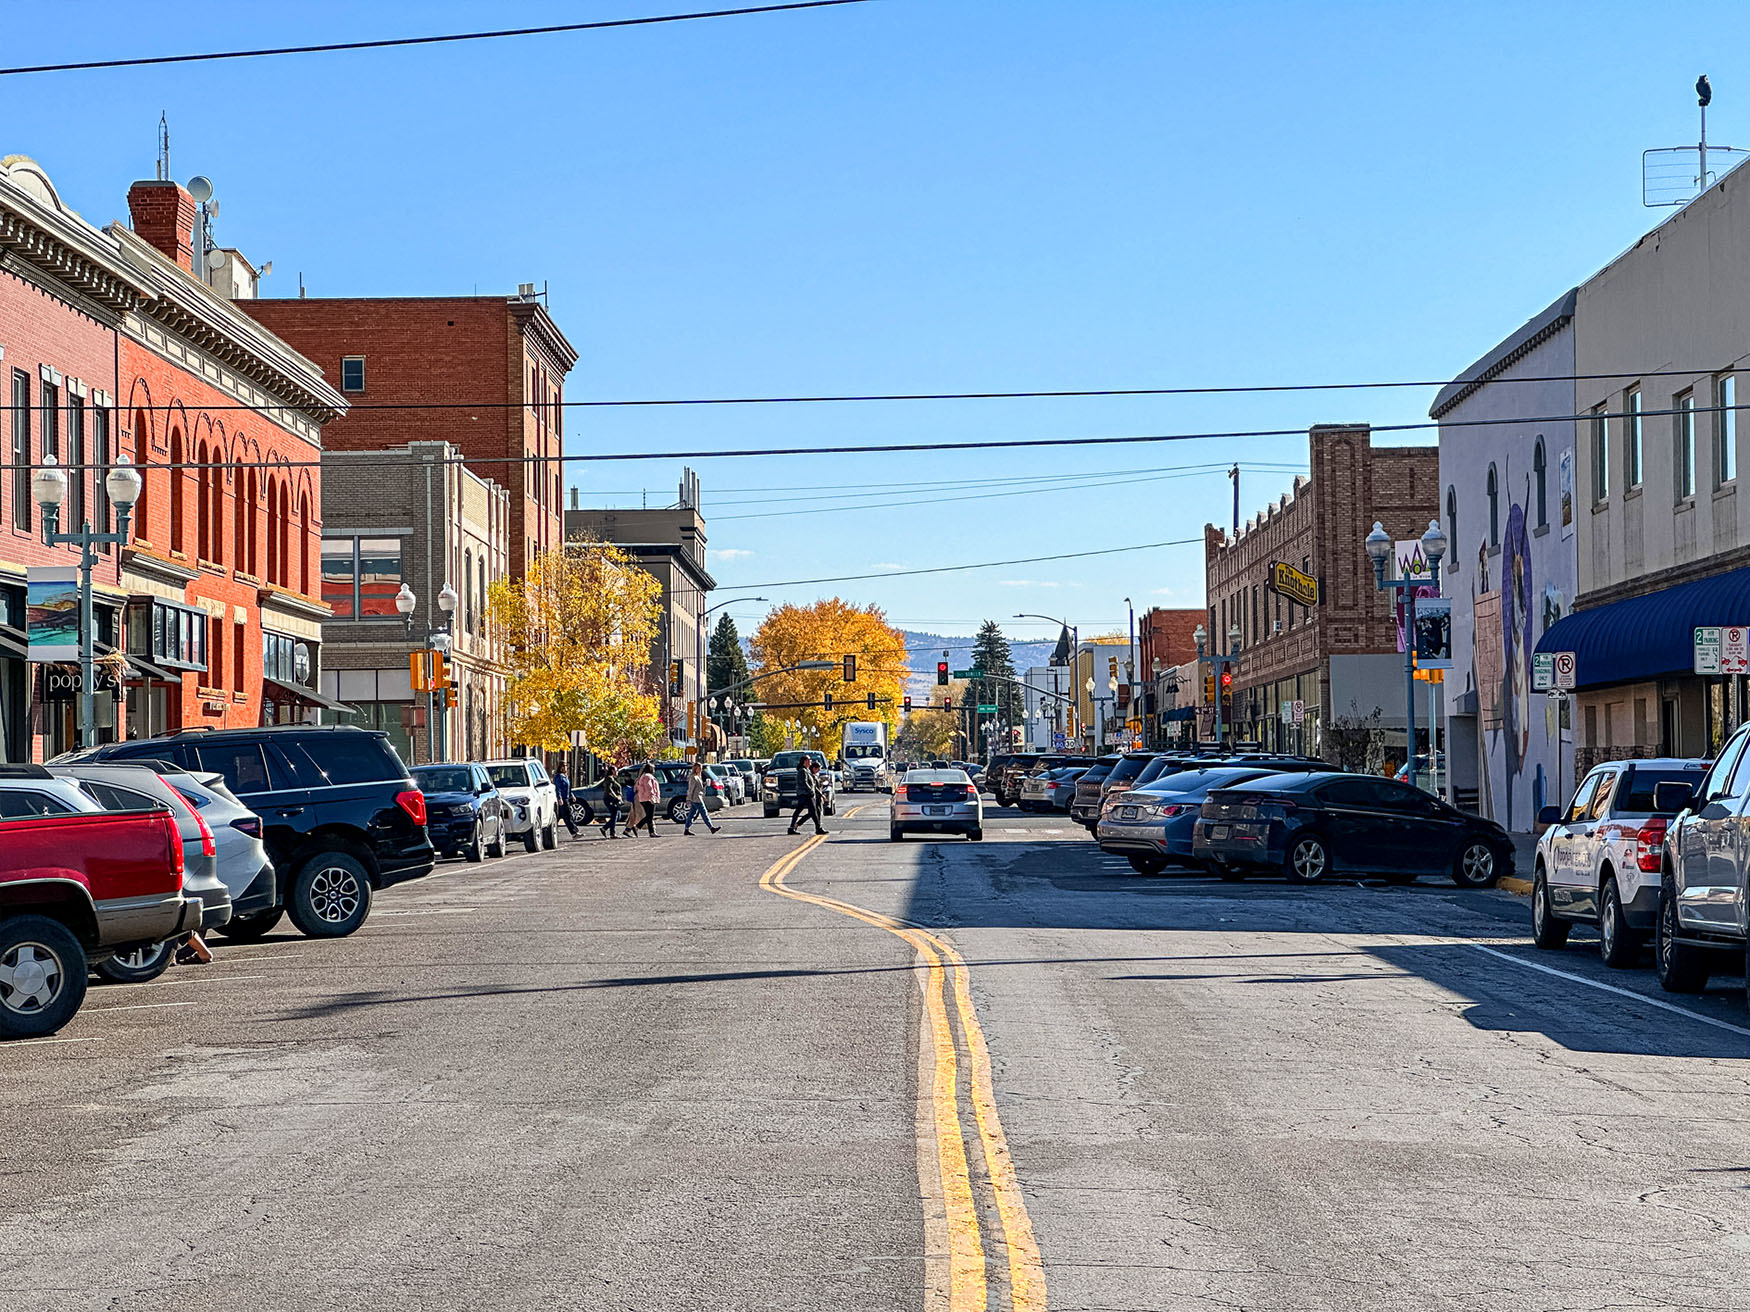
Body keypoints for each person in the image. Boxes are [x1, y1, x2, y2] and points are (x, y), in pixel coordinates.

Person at [787, 756, 828, 836]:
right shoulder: (802, 771)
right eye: (809, 760)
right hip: (805, 794)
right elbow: (804, 782)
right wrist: (810, 791)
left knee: (809, 811)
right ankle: (818, 828)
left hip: (807, 794)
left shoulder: (807, 770)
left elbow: (812, 783)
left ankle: (792, 827)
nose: (810, 761)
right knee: (812, 811)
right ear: (805, 761)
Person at [682, 761, 721, 835]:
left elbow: (699, 788)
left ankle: (686, 829)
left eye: (701, 768)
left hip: (697, 797)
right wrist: (688, 798)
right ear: (695, 769)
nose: (700, 770)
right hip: (696, 798)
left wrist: (705, 784)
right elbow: (691, 789)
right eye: (699, 768)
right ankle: (711, 827)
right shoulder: (693, 777)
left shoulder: (697, 777)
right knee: (704, 813)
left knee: (691, 814)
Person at [633, 763, 661, 837]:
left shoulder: (643, 776)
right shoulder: (648, 777)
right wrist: (652, 796)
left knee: (649, 817)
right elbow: (649, 787)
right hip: (649, 798)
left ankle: (651, 832)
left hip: (643, 798)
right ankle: (637, 827)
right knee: (650, 816)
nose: (654, 770)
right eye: (653, 768)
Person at [554, 766, 579, 838]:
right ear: (561, 768)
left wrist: (572, 795)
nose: (566, 768)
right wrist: (559, 798)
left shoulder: (565, 776)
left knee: (562, 816)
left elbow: (568, 788)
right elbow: (558, 788)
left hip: (566, 798)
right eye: (564, 767)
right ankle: (574, 832)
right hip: (562, 799)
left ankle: (574, 832)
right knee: (567, 815)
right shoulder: (558, 777)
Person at [599, 770, 624, 838]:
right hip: (610, 799)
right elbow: (609, 789)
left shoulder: (613, 778)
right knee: (614, 815)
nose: (617, 772)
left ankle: (604, 828)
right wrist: (616, 797)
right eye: (616, 770)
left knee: (618, 816)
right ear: (612, 771)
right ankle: (612, 833)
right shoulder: (609, 778)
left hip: (614, 799)